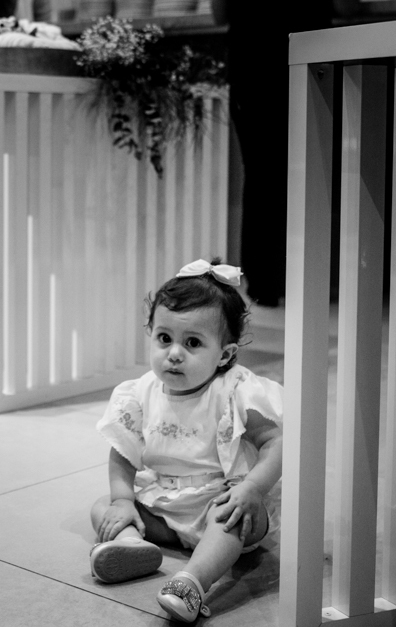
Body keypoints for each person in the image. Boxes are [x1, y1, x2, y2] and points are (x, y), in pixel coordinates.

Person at [89, 258, 283, 623]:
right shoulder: (139, 393)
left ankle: (192, 581)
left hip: (223, 500)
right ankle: (131, 544)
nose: (174, 353)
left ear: (225, 354)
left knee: (231, 521)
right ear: (151, 334)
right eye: (165, 339)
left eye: (192, 342)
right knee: (104, 505)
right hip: (164, 504)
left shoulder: (235, 389)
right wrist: (123, 501)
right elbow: (122, 454)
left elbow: (274, 442)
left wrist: (253, 488)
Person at [211, 0, 360, 307]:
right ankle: (310, 277)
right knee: (311, 174)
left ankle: (263, 284)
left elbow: (219, 11)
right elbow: (348, 3)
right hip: (306, 74)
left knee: (259, 178)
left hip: (253, 77)